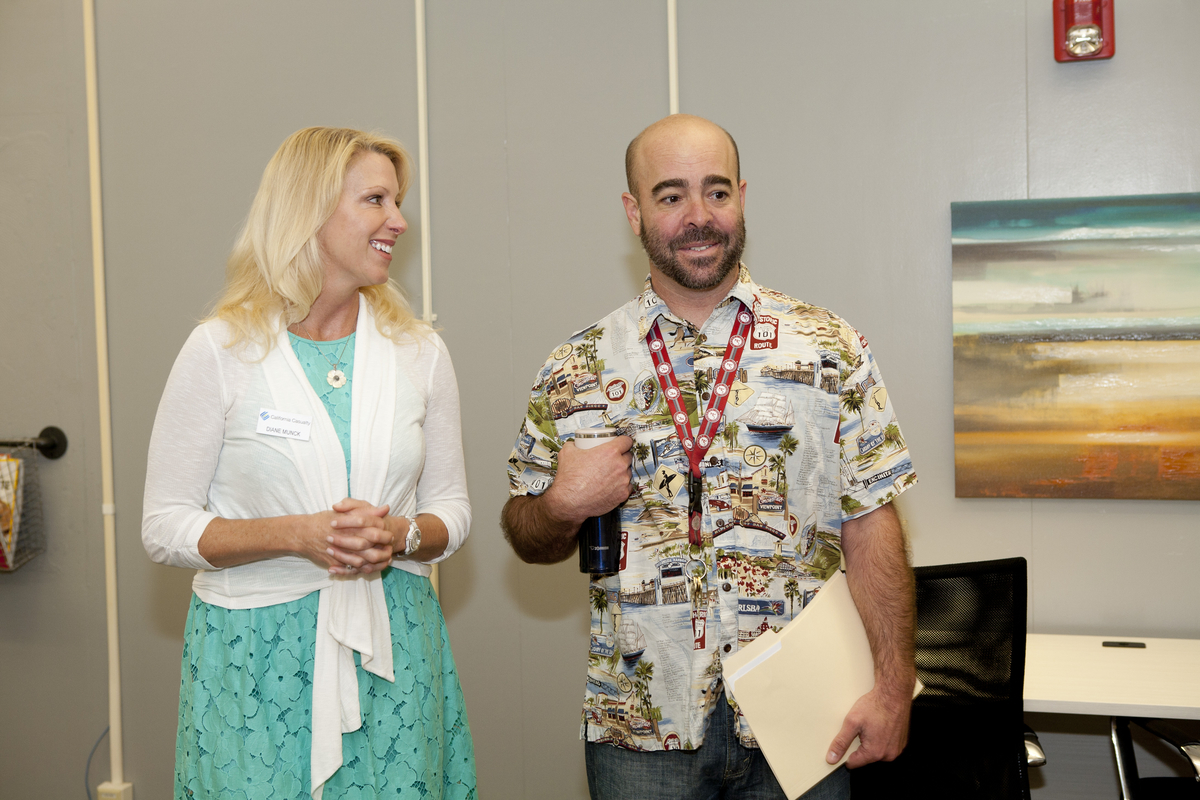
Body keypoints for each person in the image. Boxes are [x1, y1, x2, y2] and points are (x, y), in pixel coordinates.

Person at [501, 114, 917, 800]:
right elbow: (525, 532)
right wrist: (561, 505)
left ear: (743, 197)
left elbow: (873, 524)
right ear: (634, 212)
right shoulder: (577, 366)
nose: (699, 216)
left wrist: (895, 687)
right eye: (671, 196)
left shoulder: (828, 347)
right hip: (642, 727)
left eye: (716, 192)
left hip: (807, 719)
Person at [143, 127, 476, 800]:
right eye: (375, 200)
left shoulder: (420, 353)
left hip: (394, 653)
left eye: (398, 200)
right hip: (252, 662)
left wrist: (403, 536)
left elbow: (454, 512)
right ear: (309, 211)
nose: (399, 221)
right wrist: (297, 535)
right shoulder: (220, 350)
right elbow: (164, 526)